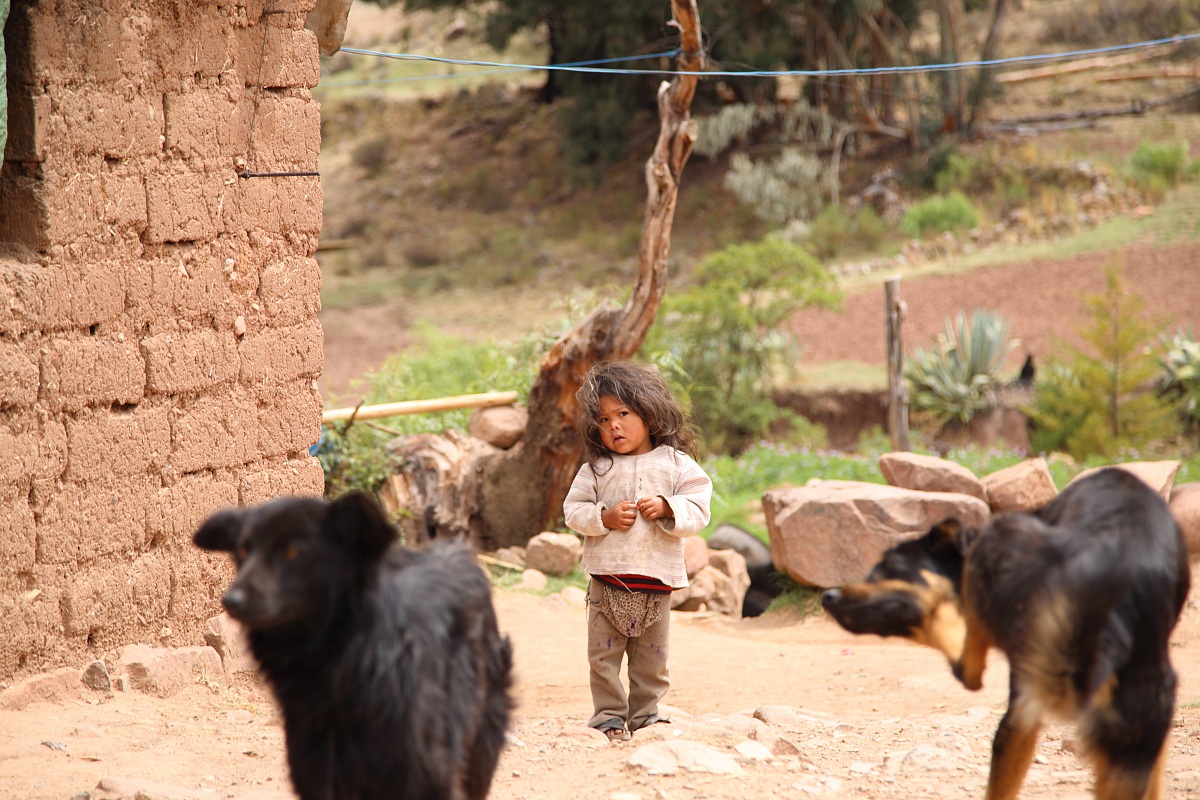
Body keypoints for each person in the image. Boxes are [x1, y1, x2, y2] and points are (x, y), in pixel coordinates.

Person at [563, 360, 713, 743]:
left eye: (623, 414)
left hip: (656, 581)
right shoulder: (596, 469)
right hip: (606, 580)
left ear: (648, 412)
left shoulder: (677, 465)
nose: (613, 425)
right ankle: (608, 718)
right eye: (603, 419)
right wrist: (604, 517)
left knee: (652, 658)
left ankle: (646, 715)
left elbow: (699, 509)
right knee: (603, 656)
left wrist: (667, 507)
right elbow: (573, 511)